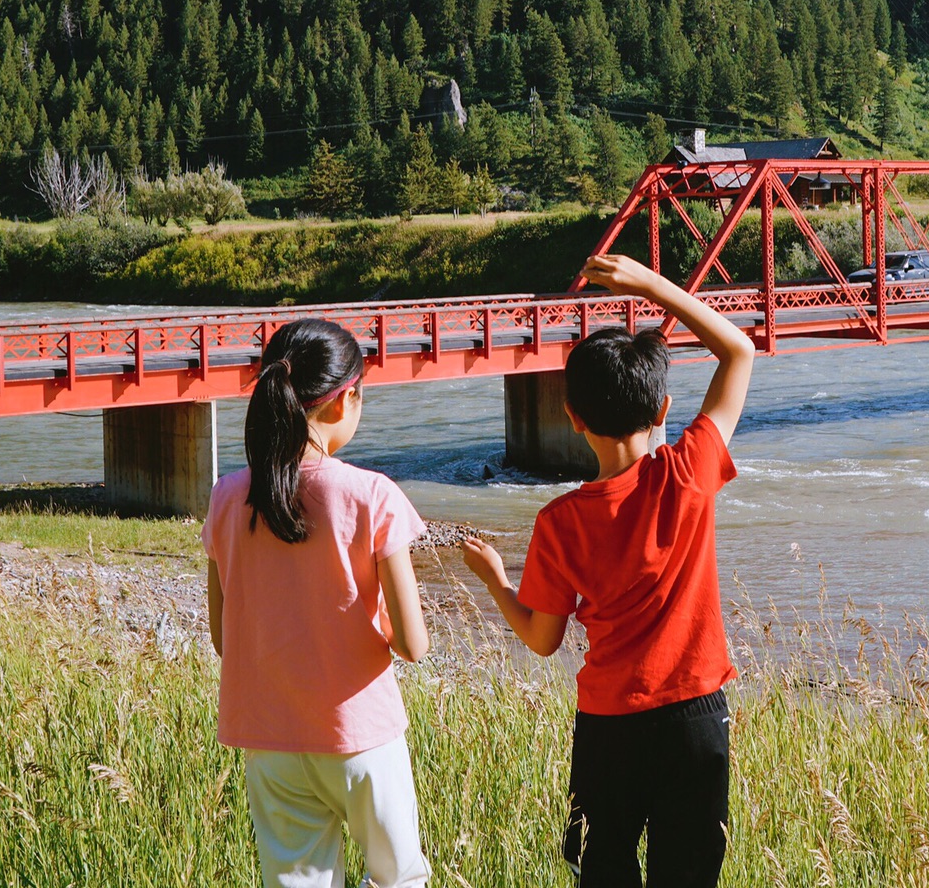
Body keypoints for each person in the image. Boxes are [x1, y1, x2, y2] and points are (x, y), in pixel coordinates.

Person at [462, 253, 755, 887]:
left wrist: (496, 581)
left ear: (572, 418)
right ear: (663, 411)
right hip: (695, 716)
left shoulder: (559, 521)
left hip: (608, 728)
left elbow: (543, 641)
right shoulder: (690, 473)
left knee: (603, 872)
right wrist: (652, 286)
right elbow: (739, 351)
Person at [204, 318, 432, 888]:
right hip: (360, 733)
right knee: (398, 878)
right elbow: (413, 645)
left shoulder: (228, 496)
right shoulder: (371, 494)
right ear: (342, 401)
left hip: (269, 737)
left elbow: (222, 637)